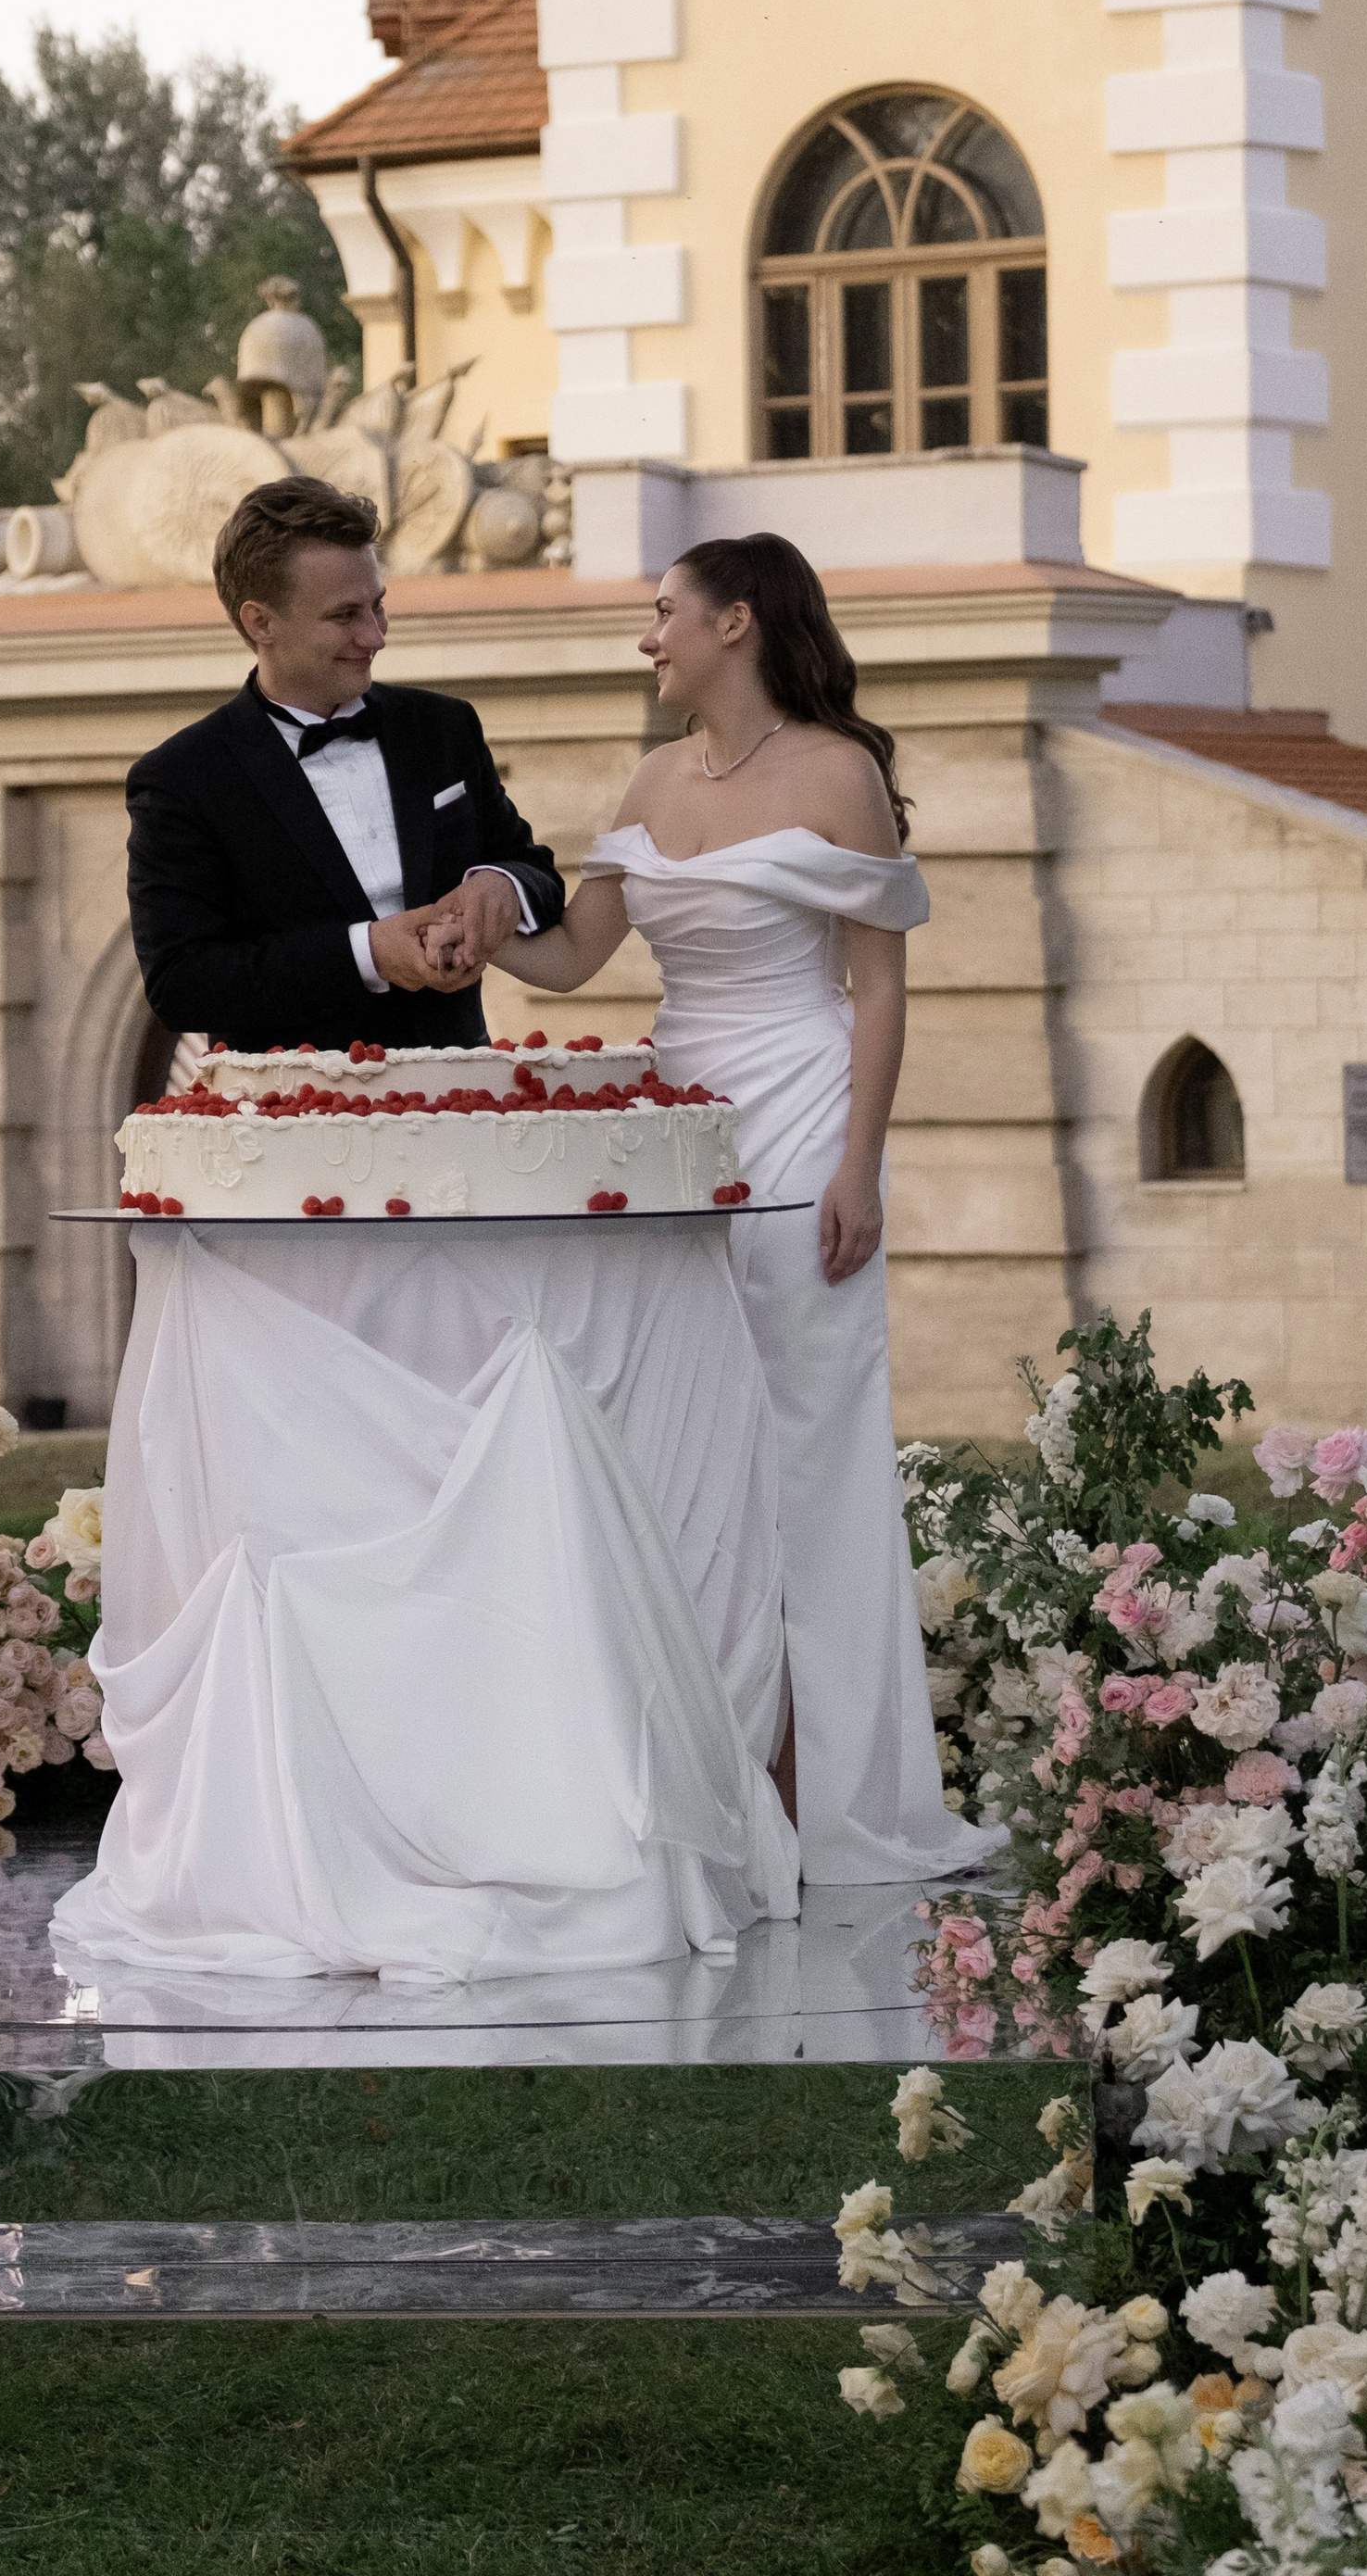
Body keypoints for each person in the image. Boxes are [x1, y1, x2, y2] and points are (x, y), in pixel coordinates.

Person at [476, 531, 1001, 1889]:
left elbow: (878, 987)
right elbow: (573, 957)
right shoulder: (655, 778)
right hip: (682, 1127)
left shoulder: (838, 774)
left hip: (804, 1109)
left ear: (737, 621)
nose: (646, 636)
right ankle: (712, 1767)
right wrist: (476, 918)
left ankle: (838, 1797)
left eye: (665, 612)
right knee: (685, 1437)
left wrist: (858, 1168)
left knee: (810, 1450)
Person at [127, 475, 566, 1052]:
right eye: (345, 616)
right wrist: (369, 954)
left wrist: (502, 885)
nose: (375, 636)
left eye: (378, 606)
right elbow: (182, 984)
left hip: (458, 1088)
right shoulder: (182, 779)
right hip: (289, 1103)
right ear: (260, 622)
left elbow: (536, 872)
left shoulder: (444, 726)